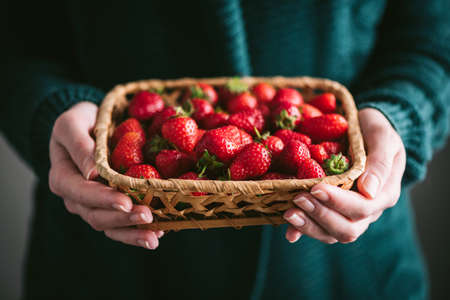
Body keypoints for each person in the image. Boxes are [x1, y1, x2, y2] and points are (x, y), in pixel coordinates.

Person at [3, 0, 449, 299]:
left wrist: (400, 117)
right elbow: (15, 38)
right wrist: (48, 109)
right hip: (105, 269)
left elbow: (435, 36)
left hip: (346, 270)